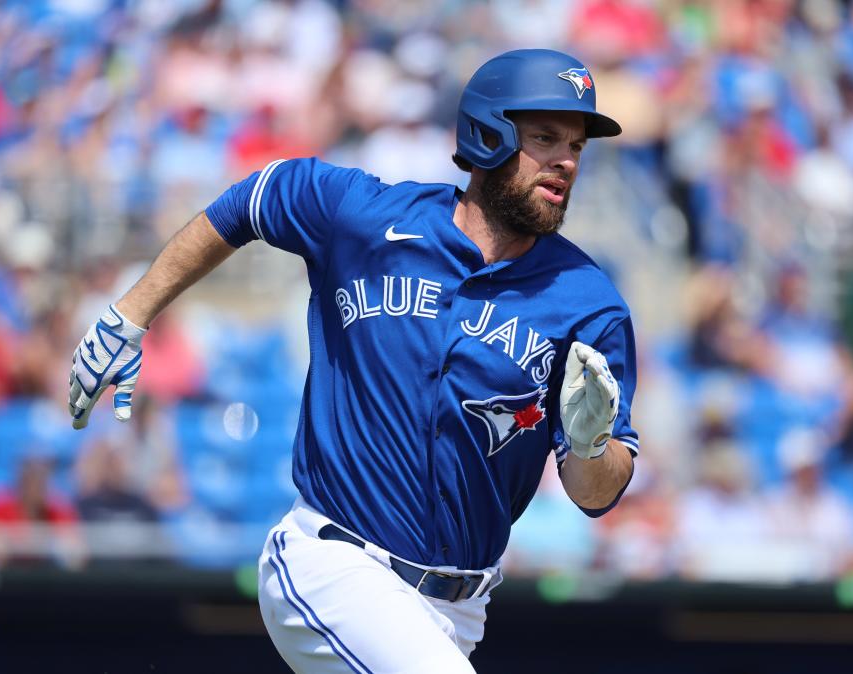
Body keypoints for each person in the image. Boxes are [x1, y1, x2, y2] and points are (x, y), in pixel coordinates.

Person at [68, 49, 639, 673]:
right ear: (488, 131)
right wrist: (130, 313)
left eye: (577, 145)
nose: (566, 160)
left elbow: (595, 494)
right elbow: (251, 202)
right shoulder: (368, 217)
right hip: (334, 564)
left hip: (459, 610)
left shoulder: (589, 302)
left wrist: (589, 446)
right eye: (546, 137)